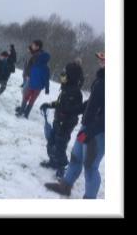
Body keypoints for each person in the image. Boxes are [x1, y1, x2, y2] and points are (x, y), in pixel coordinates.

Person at [44, 52, 105, 199]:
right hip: (87, 127)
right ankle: (65, 186)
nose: (100, 61)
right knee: (75, 158)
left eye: (104, 58)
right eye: (101, 58)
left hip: (99, 132)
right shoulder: (101, 79)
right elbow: (91, 103)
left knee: (90, 167)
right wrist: (71, 110)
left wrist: (90, 131)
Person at [39, 62, 84, 179]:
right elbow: (60, 103)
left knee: (60, 146)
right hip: (57, 121)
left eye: (66, 72)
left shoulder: (76, 92)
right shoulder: (65, 88)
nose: (63, 74)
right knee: (51, 142)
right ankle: (53, 161)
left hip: (66, 124)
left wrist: (66, 114)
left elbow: (77, 110)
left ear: (71, 76)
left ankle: (62, 167)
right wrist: (49, 104)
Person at [16, 43, 50, 119]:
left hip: (31, 84)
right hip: (39, 88)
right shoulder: (47, 69)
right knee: (32, 100)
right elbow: (47, 79)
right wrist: (47, 89)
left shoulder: (35, 65)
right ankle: (26, 114)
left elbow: (29, 72)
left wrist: (27, 76)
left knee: (25, 97)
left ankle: (21, 111)